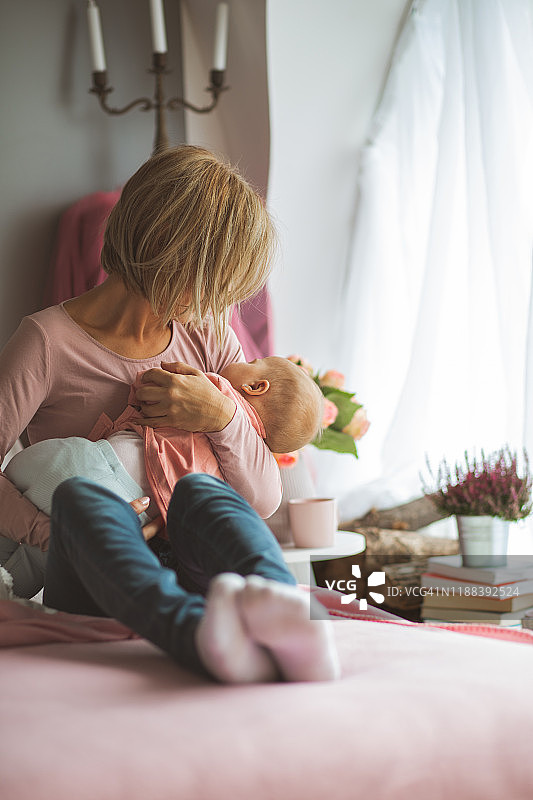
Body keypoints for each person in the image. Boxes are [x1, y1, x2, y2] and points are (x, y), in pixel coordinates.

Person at [0, 145, 339, 683]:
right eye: (215, 278)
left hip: (194, 565)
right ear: (169, 253)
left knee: (203, 494)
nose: (219, 299)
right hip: (97, 573)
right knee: (84, 499)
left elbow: (265, 496)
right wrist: (52, 534)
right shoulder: (45, 343)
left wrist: (220, 415)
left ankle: (288, 612)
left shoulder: (206, 333)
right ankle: (190, 633)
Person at [5, 355, 324, 531]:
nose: (243, 357)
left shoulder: (217, 388)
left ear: (256, 385)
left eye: (254, 359)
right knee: (35, 565)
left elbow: (149, 384)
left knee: (22, 468)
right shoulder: (239, 469)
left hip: (96, 464)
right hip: (135, 512)